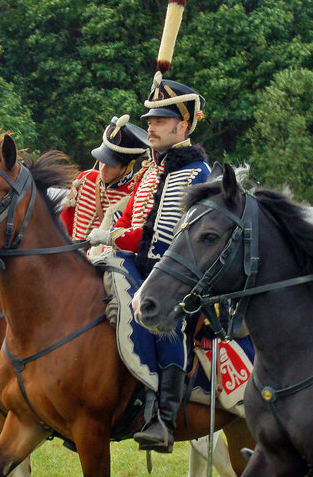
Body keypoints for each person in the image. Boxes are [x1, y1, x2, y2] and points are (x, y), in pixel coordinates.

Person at [87, 76, 210, 452]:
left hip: (175, 273)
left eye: (159, 121)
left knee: (164, 322)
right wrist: (107, 239)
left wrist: (109, 240)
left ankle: (164, 417)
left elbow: (162, 241)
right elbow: (130, 223)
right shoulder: (154, 170)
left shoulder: (193, 174)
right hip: (141, 261)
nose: (151, 127)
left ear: (183, 126)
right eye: (151, 120)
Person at [60, 114, 149, 242]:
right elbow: (64, 226)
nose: (102, 169)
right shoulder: (84, 179)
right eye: (102, 160)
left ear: (129, 166)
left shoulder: (136, 194)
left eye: (111, 164)